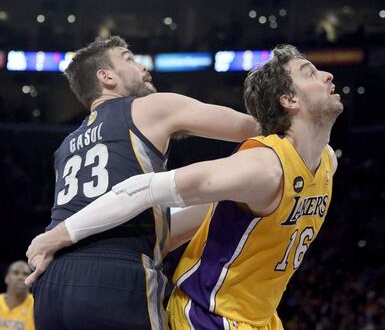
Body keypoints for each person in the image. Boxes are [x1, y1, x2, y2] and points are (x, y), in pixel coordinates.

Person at [27, 44, 343, 329]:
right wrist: (289, 122)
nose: (143, 67)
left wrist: (55, 239)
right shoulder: (151, 108)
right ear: (106, 76)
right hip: (128, 273)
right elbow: (249, 125)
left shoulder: (67, 144)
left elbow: (170, 225)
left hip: (55, 273)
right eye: (130, 59)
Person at [0, 261, 34, 330]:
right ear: (6, 278)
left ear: (31, 280)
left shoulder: (37, 304)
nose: (20, 277)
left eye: (25, 274)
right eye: (16, 273)